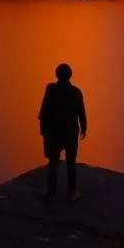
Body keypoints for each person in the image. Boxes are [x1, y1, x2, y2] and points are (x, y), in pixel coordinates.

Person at [37, 63, 87, 202]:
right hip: (70, 132)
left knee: (53, 164)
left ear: (56, 74)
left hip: (53, 132)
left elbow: (44, 109)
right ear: (70, 75)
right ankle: (72, 192)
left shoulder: (51, 89)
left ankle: (51, 194)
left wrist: (43, 127)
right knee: (71, 163)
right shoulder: (76, 92)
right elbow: (81, 113)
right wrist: (84, 127)